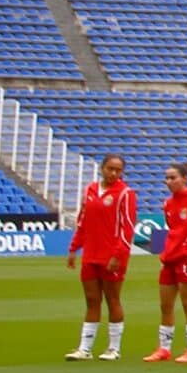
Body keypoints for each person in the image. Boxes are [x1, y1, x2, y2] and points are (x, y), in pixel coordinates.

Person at [66, 153, 137, 361]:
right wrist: (74, 248)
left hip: (112, 256)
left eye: (118, 170)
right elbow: (83, 221)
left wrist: (118, 254)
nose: (113, 173)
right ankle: (85, 348)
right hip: (91, 254)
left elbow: (128, 227)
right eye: (110, 169)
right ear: (102, 168)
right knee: (91, 300)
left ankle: (113, 348)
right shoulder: (90, 190)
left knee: (112, 299)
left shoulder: (125, 193)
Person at [144, 163, 187, 364]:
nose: (169, 182)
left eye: (173, 178)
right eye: (167, 178)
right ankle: (164, 348)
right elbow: (173, 227)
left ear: (185, 178)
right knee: (165, 305)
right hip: (170, 256)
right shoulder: (168, 203)